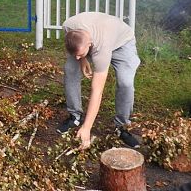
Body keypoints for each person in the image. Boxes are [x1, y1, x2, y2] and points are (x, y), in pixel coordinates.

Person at [57, 11, 141, 149]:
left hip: (122, 43)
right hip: (95, 38)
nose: (77, 58)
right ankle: (75, 117)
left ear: (89, 45)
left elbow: (97, 91)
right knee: (70, 69)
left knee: (125, 83)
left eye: (81, 55)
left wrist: (87, 128)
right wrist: (82, 59)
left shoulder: (101, 46)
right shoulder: (68, 26)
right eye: (76, 55)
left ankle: (121, 126)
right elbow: (78, 46)